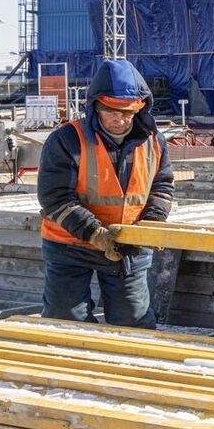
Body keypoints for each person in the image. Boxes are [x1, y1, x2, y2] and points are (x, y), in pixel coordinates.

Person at [38, 59, 174, 328]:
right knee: (65, 320)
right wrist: (94, 233)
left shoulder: (154, 142)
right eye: (112, 111)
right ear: (95, 107)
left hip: (128, 244)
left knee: (133, 323)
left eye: (128, 112)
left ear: (140, 109)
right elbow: (55, 197)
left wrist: (153, 222)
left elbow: (162, 186)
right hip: (70, 244)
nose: (120, 119)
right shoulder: (67, 140)